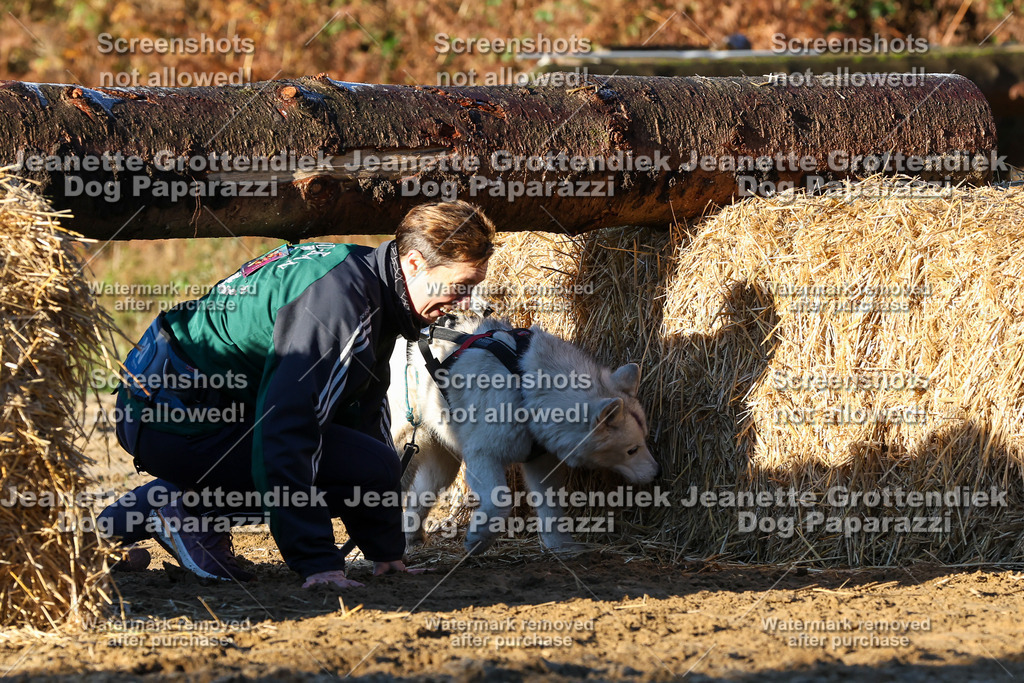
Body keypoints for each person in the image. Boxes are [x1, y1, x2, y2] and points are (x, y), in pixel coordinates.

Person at [98, 200, 495, 588]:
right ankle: (190, 509)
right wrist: (318, 562)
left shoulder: (371, 282)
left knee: (366, 461)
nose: (466, 303)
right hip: (169, 412)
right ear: (414, 264)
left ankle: (96, 540)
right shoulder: (341, 304)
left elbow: (362, 425)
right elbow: (287, 430)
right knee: (313, 459)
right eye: (460, 287)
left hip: (187, 407)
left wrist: (385, 553)